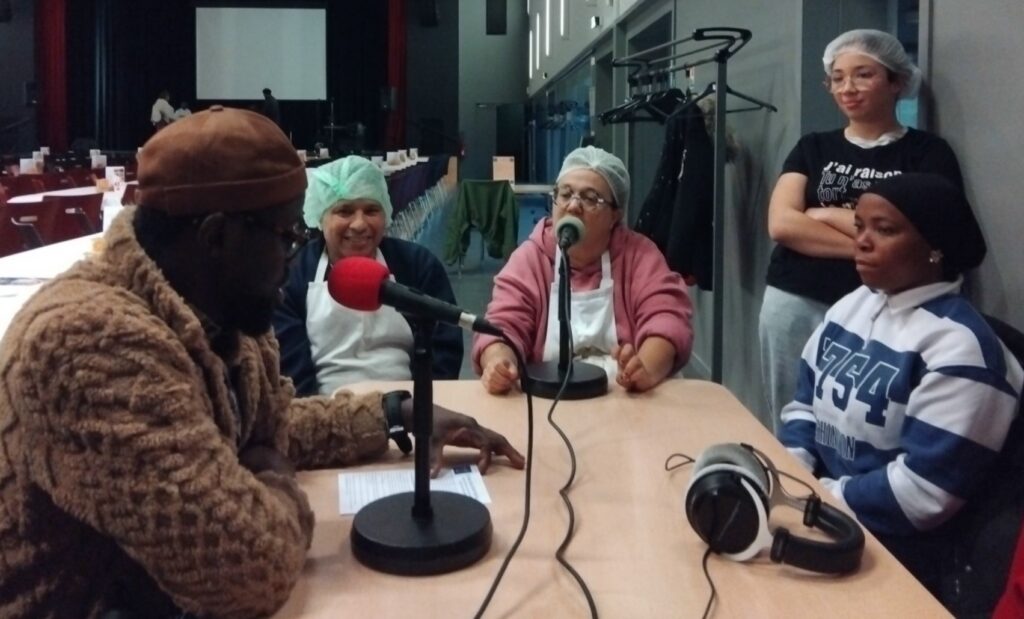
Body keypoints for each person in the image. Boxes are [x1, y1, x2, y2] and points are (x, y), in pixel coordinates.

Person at [0, 106, 524, 618]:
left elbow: (268, 426)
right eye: (289, 236)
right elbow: (246, 570)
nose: (295, 259)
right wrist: (271, 474)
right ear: (217, 237)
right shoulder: (87, 343)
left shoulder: (217, 308)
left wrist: (397, 412)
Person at [778, 173, 1023, 605]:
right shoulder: (853, 305)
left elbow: (922, 494)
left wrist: (819, 497)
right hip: (824, 512)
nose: (861, 242)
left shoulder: (961, 349)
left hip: (897, 553)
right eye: (859, 226)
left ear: (935, 248)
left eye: (885, 230)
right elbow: (804, 405)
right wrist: (789, 469)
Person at [759, 29, 964, 431]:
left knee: (867, 424)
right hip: (797, 298)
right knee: (792, 416)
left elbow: (929, 233)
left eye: (863, 74)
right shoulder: (813, 147)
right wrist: (879, 244)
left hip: (890, 309)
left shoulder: (927, 153)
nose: (847, 88)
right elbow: (782, 223)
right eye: (837, 78)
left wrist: (825, 214)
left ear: (896, 82)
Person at [473, 146, 693, 394]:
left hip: (628, 397)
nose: (573, 206)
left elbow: (666, 318)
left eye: (590, 199)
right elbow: (503, 324)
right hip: (548, 397)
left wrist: (646, 368)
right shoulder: (530, 259)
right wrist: (498, 361)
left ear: (615, 215)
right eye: (565, 194)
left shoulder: (640, 256)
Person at [274, 155, 463, 397]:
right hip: (323, 409)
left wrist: (420, 405)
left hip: (408, 406)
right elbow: (290, 368)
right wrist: (322, 414)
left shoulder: (417, 265)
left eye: (371, 210)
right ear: (320, 217)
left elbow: (444, 348)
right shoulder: (293, 275)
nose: (359, 224)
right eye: (344, 211)